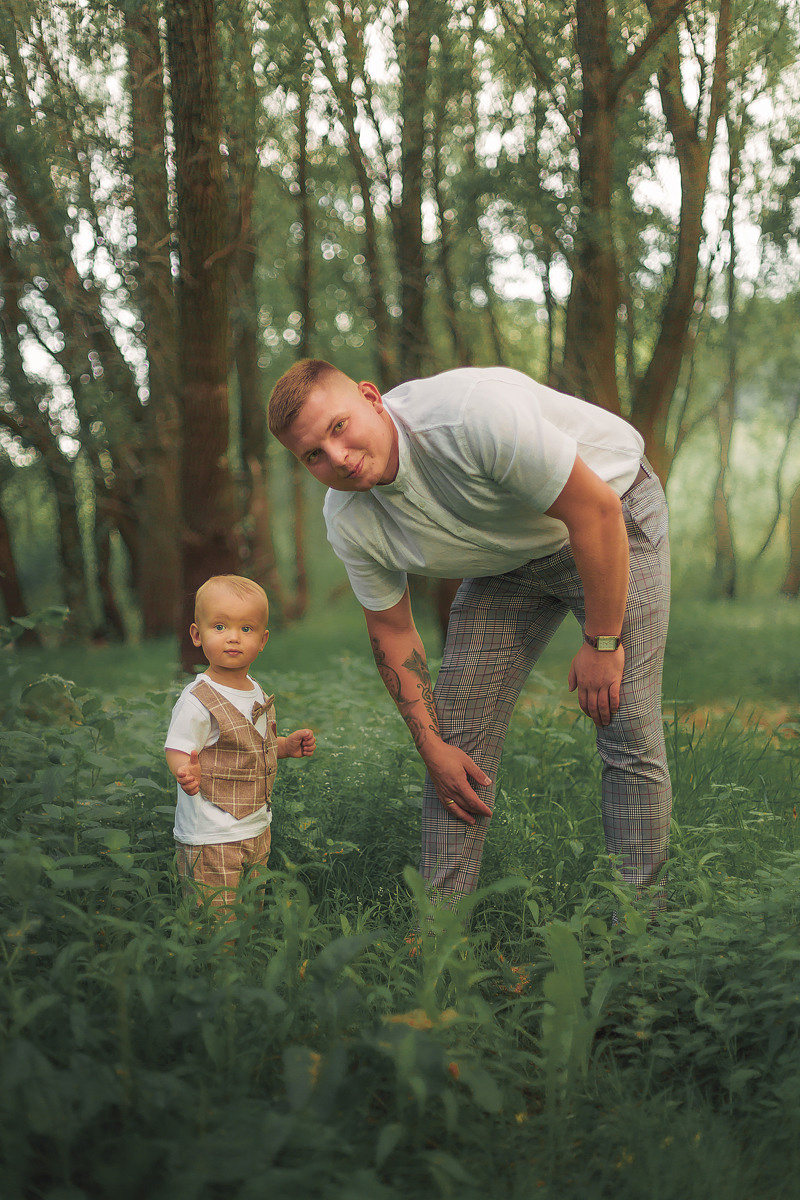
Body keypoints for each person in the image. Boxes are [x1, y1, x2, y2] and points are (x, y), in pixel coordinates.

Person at [268, 361, 671, 909]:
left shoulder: (468, 417)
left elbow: (594, 511)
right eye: (313, 454)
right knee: (454, 741)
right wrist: (429, 745)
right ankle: (439, 930)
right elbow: (391, 628)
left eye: (339, 427)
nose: (336, 458)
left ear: (371, 397)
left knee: (625, 720)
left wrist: (604, 642)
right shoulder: (349, 519)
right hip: (506, 559)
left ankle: (638, 922)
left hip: (611, 513)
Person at [165, 574, 316, 911]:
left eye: (245, 629)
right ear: (196, 634)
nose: (232, 638)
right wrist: (183, 770)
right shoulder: (197, 699)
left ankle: (245, 959)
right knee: (217, 920)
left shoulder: (255, 690)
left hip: (256, 828)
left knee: (250, 913)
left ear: (262, 640)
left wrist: (285, 746)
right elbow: (177, 747)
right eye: (219, 627)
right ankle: (220, 962)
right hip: (211, 834)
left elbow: (254, 746)